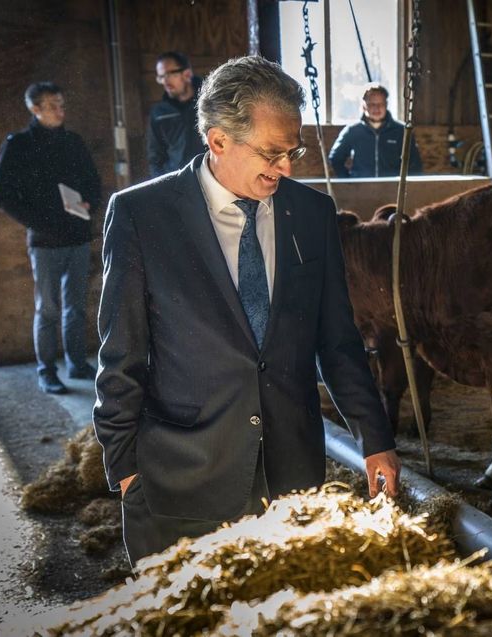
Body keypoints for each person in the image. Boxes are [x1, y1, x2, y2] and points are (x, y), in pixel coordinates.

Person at [94, 56, 401, 565]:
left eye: (294, 149)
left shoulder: (312, 214)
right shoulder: (140, 215)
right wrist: (125, 470)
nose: (287, 167)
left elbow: (338, 342)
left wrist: (374, 438)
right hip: (182, 478)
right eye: (272, 153)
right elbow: (121, 355)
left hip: (293, 477)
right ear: (218, 141)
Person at [0, 82, 101, 395]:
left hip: (77, 235)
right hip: (45, 241)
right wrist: (39, 222)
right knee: (49, 309)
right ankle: (47, 371)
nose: (60, 110)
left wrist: (89, 203)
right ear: (35, 109)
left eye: (62, 104)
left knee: (76, 308)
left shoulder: (73, 141)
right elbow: (1, 195)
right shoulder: (19, 144)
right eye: (53, 105)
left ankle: (77, 363)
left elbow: (93, 181)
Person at [327, 84, 423, 178]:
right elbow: (335, 158)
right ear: (364, 106)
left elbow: (415, 163)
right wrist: (349, 182)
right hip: (361, 189)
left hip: (393, 189)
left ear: (386, 105)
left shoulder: (401, 131)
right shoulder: (352, 131)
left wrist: (405, 185)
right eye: (372, 104)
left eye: (380, 104)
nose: (376, 108)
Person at [147, 51, 206, 178]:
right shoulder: (159, 113)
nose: (165, 81)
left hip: (209, 180)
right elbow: (155, 157)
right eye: (161, 77)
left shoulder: (209, 104)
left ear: (187, 74)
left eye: (169, 74)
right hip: (176, 184)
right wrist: (162, 185)